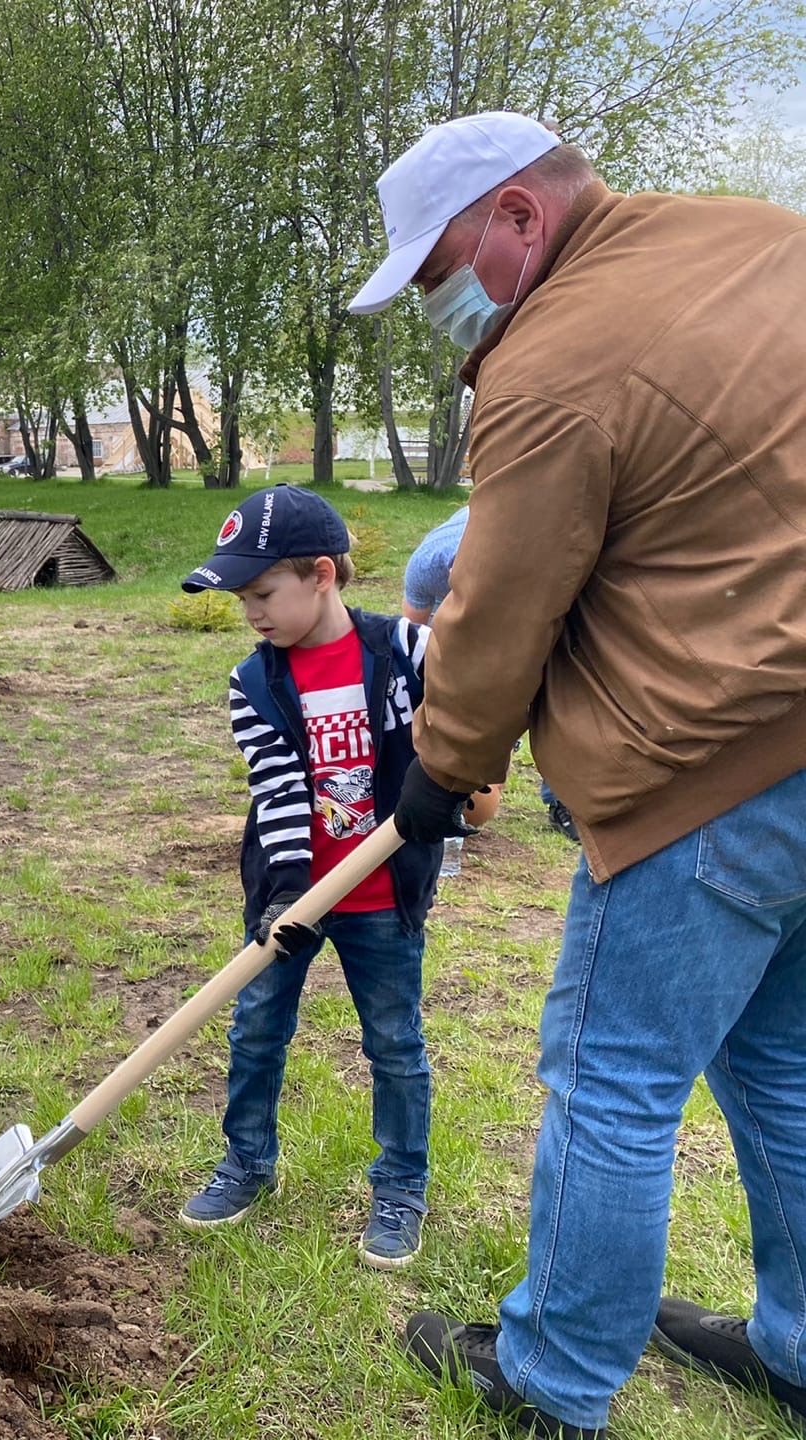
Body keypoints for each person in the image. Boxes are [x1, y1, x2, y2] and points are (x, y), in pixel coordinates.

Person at [350, 109, 806, 1438]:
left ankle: (553, 1381)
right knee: (780, 1067)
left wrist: (444, 767)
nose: (443, 308)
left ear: (519, 218)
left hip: (707, 770)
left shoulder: (552, 365)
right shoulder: (761, 243)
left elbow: (496, 612)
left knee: (612, 1083)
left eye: (438, 274)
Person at [178, 484, 442, 1268]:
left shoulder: (406, 651)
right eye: (241, 598)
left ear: (322, 574)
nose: (250, 612)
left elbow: (468, 722)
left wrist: (460, 783)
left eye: (262, 592)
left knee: (395, 1043)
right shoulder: (253, 685)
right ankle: (247, 1162)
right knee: (257, 1030)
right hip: (290, 896)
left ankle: (401, 1184)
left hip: (383, 896)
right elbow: (280, 788)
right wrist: (288, 890)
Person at [402, 506, 576, 842]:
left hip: (535, 588)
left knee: (558, 691)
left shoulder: (535, 567)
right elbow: (411, 647)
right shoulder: (424, 568)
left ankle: (563, 800)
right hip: (487, 560)